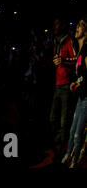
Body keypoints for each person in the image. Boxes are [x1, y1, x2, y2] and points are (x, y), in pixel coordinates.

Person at [50, 17, 77, 161]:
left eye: (57, 24)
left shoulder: (69, 41)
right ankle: (57, 147)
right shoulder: (57, 42)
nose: (55, 26)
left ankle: (62, 150)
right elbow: (56, 61)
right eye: (54, 24)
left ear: (63, 26)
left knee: (63, 120)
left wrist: (63, 61)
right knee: (53, 118)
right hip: (57, 84)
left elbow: (76, 59)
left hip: (66, 85)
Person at [62, 17, 87, 168]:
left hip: (86, 98)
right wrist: (76, 82)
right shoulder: (79, 50)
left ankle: (75, 161)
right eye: (77, 25)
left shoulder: (86, 50)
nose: (77, 28)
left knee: (78, 133)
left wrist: (78, 84)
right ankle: (68, 155)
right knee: (72, 131)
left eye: (81, 26)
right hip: (81, 97)